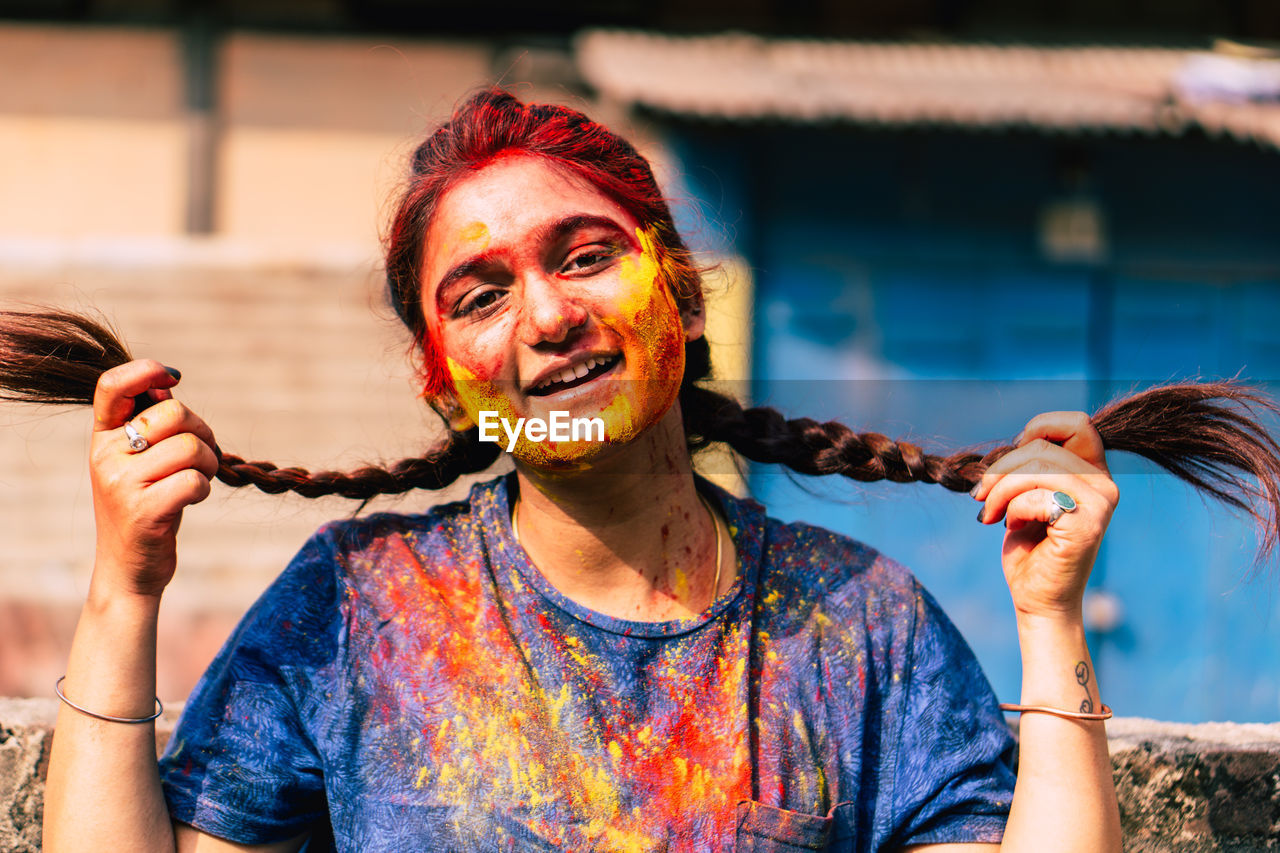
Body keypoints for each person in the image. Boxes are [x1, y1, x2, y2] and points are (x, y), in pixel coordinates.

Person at [11, 89, 1277, 852]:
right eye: (481, 292)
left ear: (676, 289)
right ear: (444, 375)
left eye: (582, 255)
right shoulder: (356, 610)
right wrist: (126, 586)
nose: (546, 319)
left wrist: (1049, 619)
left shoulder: (856, 628)